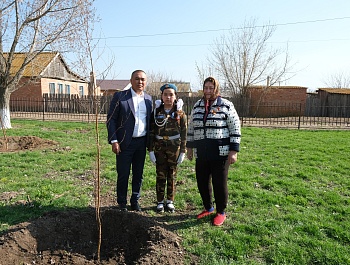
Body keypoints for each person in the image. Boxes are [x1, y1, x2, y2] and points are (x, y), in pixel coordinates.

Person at [186, 76, 241, 226]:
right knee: (202, 181)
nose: (208, 91)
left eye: (211, 88)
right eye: (206, 88)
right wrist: (189, 148)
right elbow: (191, 127)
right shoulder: (197, 105)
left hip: (220, 152)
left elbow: (235, 127)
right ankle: (208, 207)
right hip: (202, 152)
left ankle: (221, 211)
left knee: (219, 183)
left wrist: (233, 150)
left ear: (216, 89)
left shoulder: (226, 105)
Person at [107, 70, 153, 212]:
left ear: (146, 82)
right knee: (123, 173)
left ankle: (135, 200)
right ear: (131, 80)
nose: (140, 82)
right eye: (137, 79)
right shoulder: (121, 97)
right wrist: (114, 140)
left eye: (143, 79)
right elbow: (111, 119)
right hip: (124, 143)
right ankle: (121, 202)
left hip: (141, 143)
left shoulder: (148, 99)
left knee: (138, 174)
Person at [148, 83, 187, 213]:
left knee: (172, 175)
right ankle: (159, 201)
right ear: (161, 96)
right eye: (165, 94)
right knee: (160, 175)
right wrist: (151, 150)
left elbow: (184, 133)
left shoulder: (180, 114)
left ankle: (170, 201)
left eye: (171, 94)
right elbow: (151, 132)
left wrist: (182, 151)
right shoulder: (156, 112)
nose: (168, 97)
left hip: (174, 148)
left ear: (175, 96)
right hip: (159, 148)